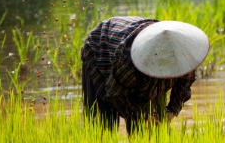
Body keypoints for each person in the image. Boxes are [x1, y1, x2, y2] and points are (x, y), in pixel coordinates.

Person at [80, 16, 210, 134]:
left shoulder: (182, 56)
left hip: (132, 46)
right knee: (104, 126)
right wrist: (145, 116)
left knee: (154, 131)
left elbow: (185, 82)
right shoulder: (128, 63)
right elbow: (116, 94)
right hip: (99, 49)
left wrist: (171, 111)